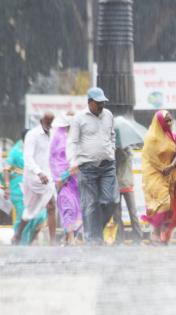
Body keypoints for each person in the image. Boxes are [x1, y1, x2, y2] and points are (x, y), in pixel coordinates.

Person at [67, 87, 119, 244]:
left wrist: (112, 150)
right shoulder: (79, 118)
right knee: (90, 204)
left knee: (110, 201)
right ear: (89, 102)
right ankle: (92, 239)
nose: (101, 105)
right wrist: (73, 162)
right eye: (98, 103)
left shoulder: (108, 115)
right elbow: (72, 142)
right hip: (87, 167)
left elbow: (112, 135)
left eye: (103, 102)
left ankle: (94, 232)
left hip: (107, 165)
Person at [12, 112, 56, 245]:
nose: (49, 123)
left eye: (51, 120)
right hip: (33, 178)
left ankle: (53, 242)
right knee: (30, 210)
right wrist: (39, 173)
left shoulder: (52, 135)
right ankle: (17, 235)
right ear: (42, 120)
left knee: (51, 205)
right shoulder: (32, 135)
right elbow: (28, 158)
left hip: (47, 178)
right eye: (47, 120)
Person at [141, 110, 176, 245]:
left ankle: (163, 235)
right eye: (166, 120)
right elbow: (151, 159)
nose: (169, 122)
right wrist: (164, 168)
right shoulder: (151, 138)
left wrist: (172, 166)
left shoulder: (172, 136)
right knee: (163, 202)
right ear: (160, 122)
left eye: (170, 120)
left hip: (169, 174)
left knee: (171, 207)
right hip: (154, 174)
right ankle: (154, 234)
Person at [3, 130, 47, 245]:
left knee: (40, 216)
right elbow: (7, 169)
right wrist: (7, 187)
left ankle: (26, 243)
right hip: (18, 188)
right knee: (23, 214)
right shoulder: (16, 150)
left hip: (34, 186)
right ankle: (19, 242)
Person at [50, 112, 82, 245]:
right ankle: (70, 237)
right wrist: (61, 177)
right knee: (67, 209)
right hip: (64, 183)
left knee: (78, 211)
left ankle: (69, 236)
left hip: (77, 183)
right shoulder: (59, 142)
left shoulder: (78, 142)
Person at [113, 146, 143, 244]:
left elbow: (124, 159)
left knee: (132, 213)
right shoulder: (113, 152)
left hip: (127, 185)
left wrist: (119, 150)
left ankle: (137, 238)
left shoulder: (128, 152)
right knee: (117, 215)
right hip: (116, 186)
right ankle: (119, 239)